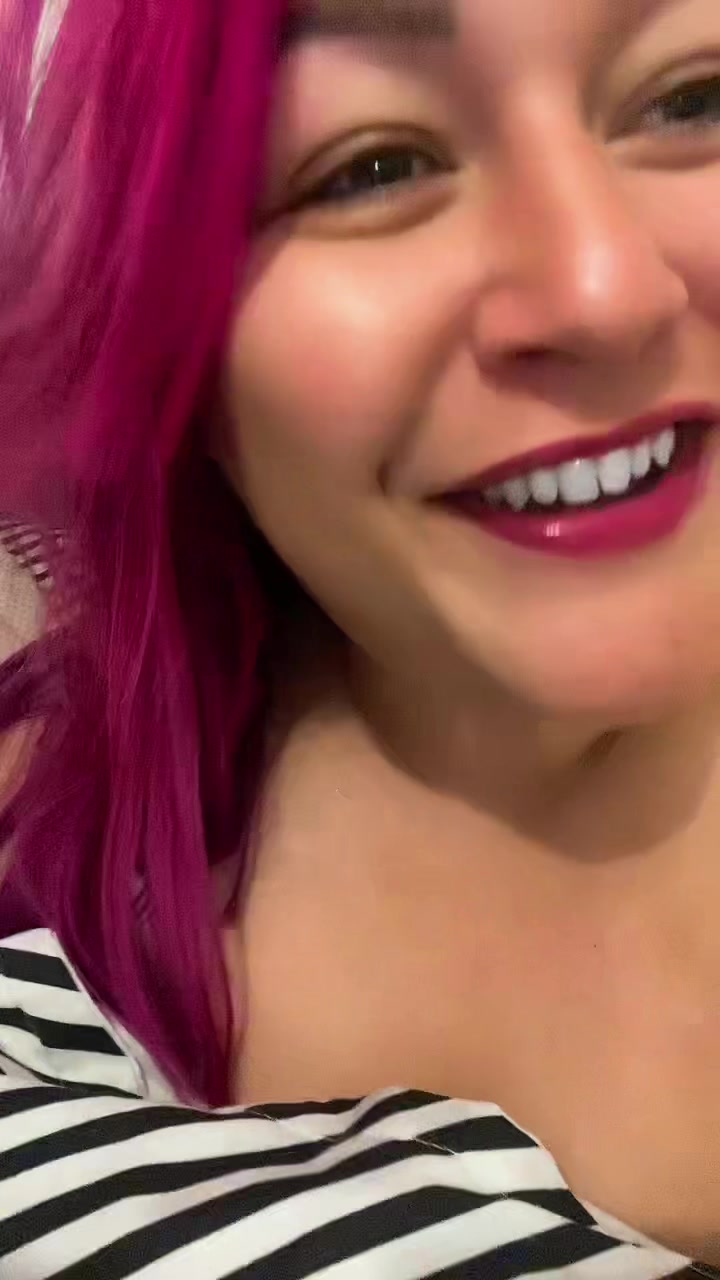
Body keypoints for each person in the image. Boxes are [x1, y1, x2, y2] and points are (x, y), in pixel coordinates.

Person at [0, 0, 718, 1274]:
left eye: (693, 99)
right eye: (372, 167)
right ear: (169, 340)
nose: (603, 293)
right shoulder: (40, 888)